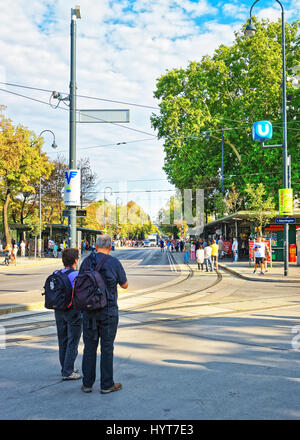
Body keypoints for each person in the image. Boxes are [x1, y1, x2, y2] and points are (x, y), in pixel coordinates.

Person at [80, 234, 128, 394]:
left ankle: (87, 384)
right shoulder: (113, 262)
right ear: (110, 247)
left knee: (89, 347)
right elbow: (125, 284)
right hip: (108, 310)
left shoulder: (86, 261)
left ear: (95, 245)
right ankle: (107, 384)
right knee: (107, 347)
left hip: (88, 310)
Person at [54, 248, 82, 380]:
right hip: (73, 311)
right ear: (75, 261)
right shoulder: (76, 275)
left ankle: (65, 367)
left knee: (62, 340)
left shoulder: (56, 273)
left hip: (58, 310)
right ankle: (68, 371)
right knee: (73, 341)